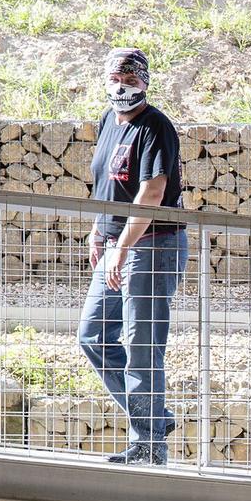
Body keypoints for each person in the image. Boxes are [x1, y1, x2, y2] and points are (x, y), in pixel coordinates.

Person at [76, 47, 188, 467]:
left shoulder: (156, 127)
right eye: (115, 79)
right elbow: (106, 183)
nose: (121, 87)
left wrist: (122, 246)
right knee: (93, 337)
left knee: (142, 343)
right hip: (115, 244)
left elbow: (152, 192)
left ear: (144, 82)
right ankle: (155, 420)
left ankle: (148, 446)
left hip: (152, 245)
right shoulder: (108, 121)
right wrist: (98, 232)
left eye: (129, 80)